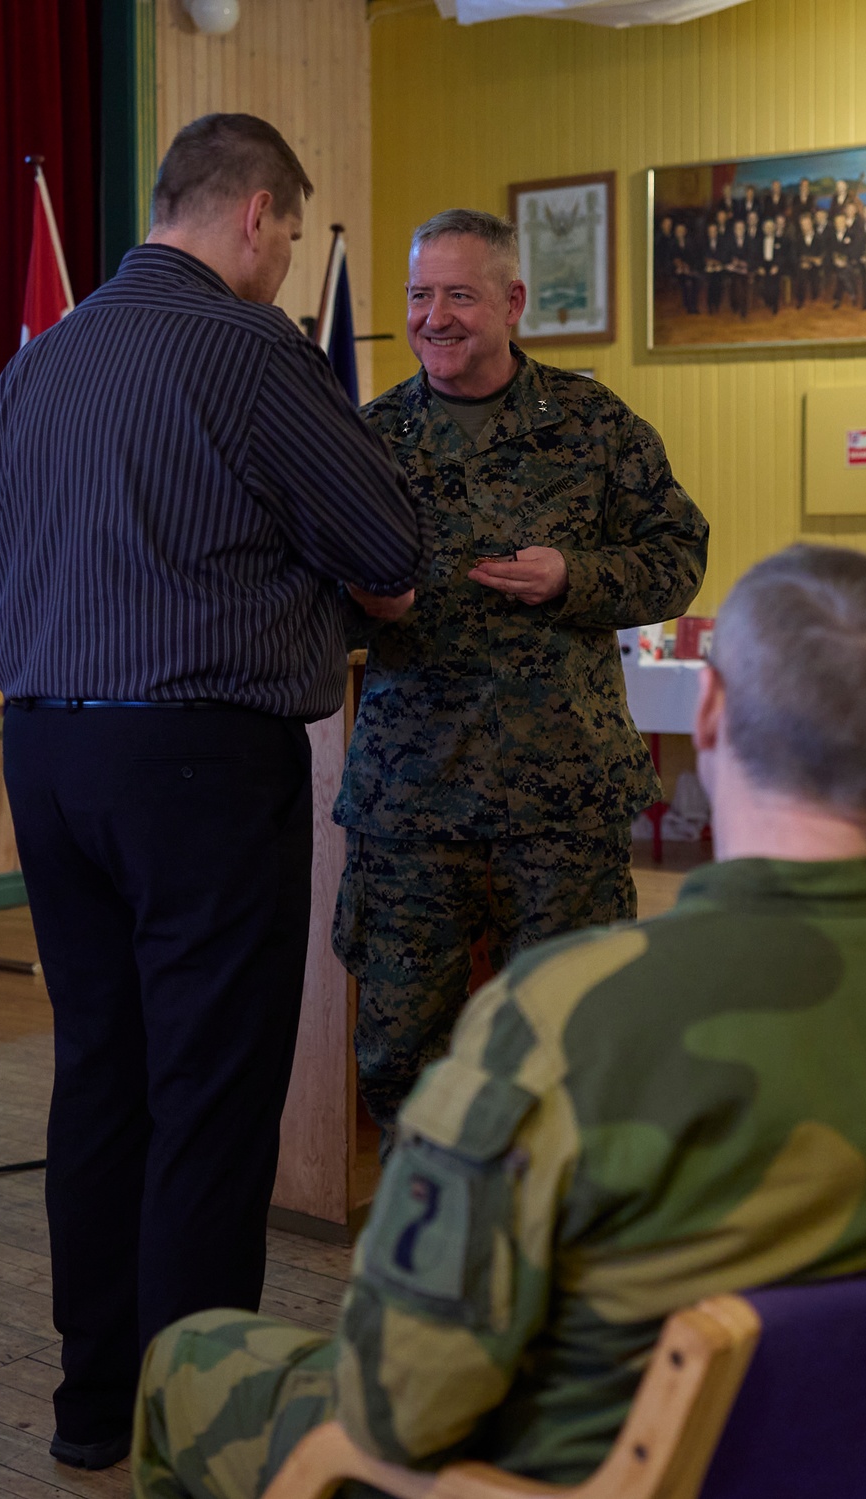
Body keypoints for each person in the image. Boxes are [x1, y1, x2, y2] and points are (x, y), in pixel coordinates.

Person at [132, 541, 866, 1498]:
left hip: (589, 1472)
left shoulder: (570, 1014)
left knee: (189, 1358)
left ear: (708, 716)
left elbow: (395, 1404)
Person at [0, 113, 423, 1471]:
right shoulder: (248, 348)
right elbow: (390, 541)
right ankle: (199, 1423)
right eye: (291, 233)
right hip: (197, 761)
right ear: (253, 216)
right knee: (212, 1089)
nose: (289, 257)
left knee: (103, 1075)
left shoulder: (40, 366)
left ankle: (89, 1408)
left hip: (48, 757)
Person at [330, 209, 708, 1149]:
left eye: (459, 293)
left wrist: (575, 577)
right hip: (411, 800)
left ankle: (560, 1233)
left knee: (573, 1036)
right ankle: (432, 1227)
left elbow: (678, 556)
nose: (434, 316)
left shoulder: (593, 424)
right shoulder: (366, 438)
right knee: (396, 1046)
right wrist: (361, 608)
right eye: (420, 294)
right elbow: (306, 590)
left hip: (561, 800)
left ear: (513, 302)